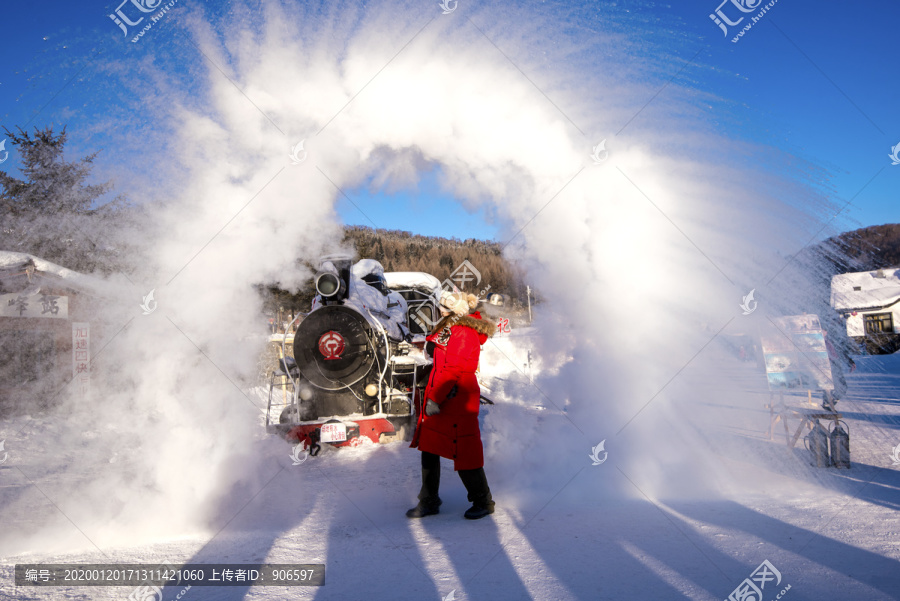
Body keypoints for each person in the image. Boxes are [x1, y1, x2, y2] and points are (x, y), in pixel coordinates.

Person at [407, 290, 496, 519]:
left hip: (457, 398)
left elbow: (454, 369)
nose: (439, 309)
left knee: (464, 449)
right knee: (429, 447)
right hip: (444, 396)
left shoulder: (463, 331)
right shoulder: (450, 328)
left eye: (443, 306)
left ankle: (483, 501)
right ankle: (429, 500)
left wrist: (435, 398)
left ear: (454, 310)